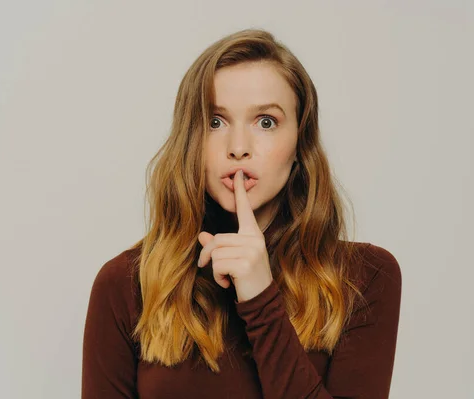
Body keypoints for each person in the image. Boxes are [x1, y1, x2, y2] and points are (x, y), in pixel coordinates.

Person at [81, 28, 402, 399]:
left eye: (265, 121)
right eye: (215, 121)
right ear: (191, 140)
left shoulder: (365, 278)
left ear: (300, 142)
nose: (238, 148)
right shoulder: (127, 283)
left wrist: (260, 298)